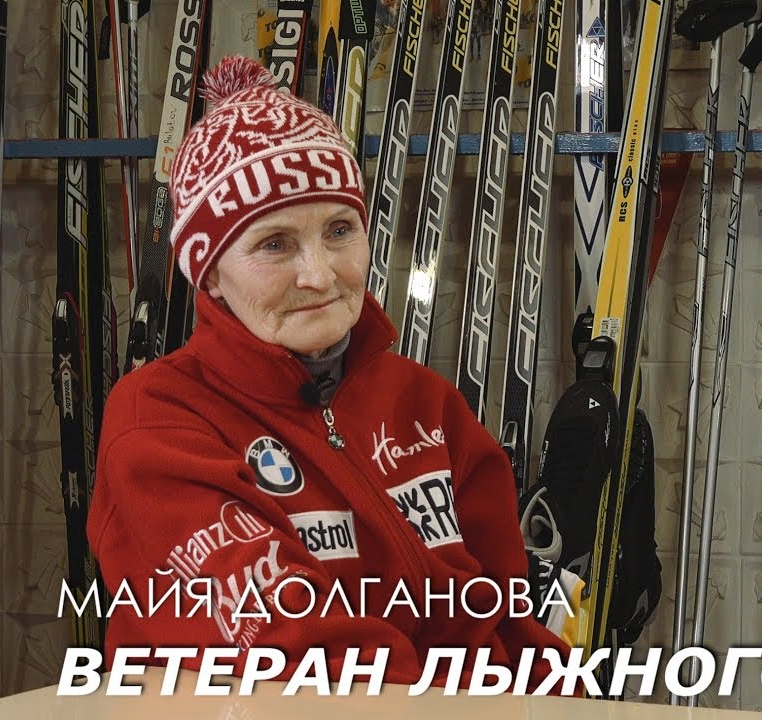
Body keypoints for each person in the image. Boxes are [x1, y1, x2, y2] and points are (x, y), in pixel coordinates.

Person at [87, 56, 572, 691]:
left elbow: (504, 621)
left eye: (340, 230)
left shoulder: (426, 404)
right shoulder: (158, 419)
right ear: (211, 274)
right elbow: (293, 650)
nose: (319, 275)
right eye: (274, 244)